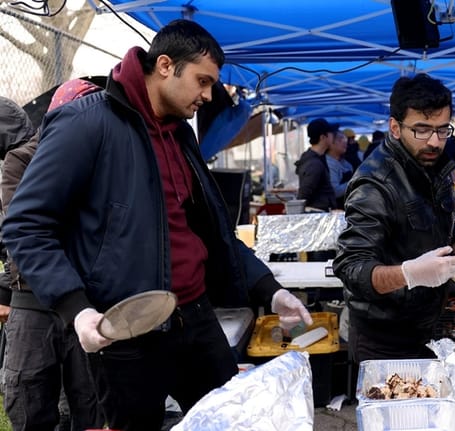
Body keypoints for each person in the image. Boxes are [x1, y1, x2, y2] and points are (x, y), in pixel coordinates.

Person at [1, 20, 311, 431]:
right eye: (202, 81)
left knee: (235, 420)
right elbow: (25, 225)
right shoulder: (86, 122)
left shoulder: (181, 135)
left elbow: (208, 232)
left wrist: (270, 290)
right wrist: (76, 309)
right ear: (165, 65)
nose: (208, 95)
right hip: (127, 331)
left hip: (196, 319)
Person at [333, 73, 455, 363]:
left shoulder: (433, 166)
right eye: (421, 130)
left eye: (443, 129)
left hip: (429, 324)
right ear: (395, 127)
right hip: (383, 337)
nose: (434, 141)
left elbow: (446, 221)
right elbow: (352, 268)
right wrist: (410, 273)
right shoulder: (375, 184)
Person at [1, 84, 106, 431]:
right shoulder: (22, 159)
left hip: (86, 300)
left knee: (91, 401)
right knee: (29, 400)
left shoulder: (102, 156)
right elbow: (26, 231)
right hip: (31, 301)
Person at [295, 118, 338, 212]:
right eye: (331, 134)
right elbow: (305, 192)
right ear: (323, 137)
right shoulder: (314, 163)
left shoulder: (317, 158)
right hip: (318, 215)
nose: (334, 137)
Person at [326, 129, 354, 209]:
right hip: (336, 210)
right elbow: (335, 191)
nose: (345, 142)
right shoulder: (329, 164)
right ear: (330, 143)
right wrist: (353, 183)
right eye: (340, 139)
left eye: (345, 139)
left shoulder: (346, 164)